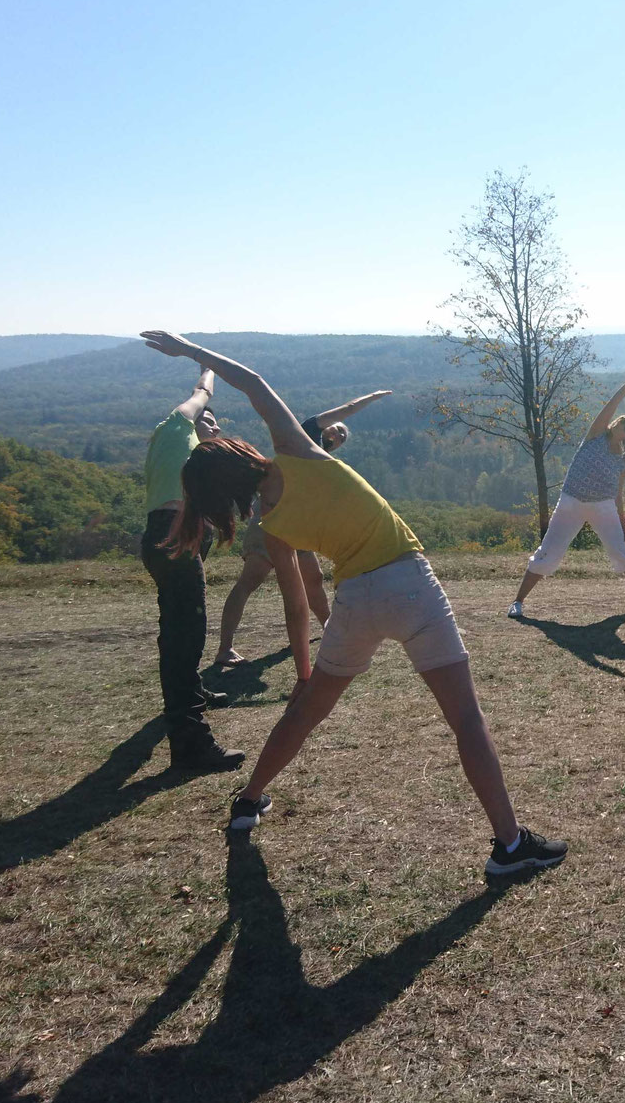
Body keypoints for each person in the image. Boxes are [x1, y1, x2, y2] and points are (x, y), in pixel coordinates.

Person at [142, 330, 568, 876]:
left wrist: (303, 673)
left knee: (309, 712)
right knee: (465, 718)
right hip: (409, 584)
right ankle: (510, 845)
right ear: (245, 452)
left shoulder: (270, 527)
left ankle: (248, 801)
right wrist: (189, 350)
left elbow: (299, 603)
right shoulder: (296, 451)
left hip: (356, 601)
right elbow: (251, 381)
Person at [212, 388, 392, 668]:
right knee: (250, 581)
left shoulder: (321, 457)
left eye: (342, 437)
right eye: (336, 430)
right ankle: (225, 648)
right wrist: (370, 399)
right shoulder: (307, 433)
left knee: (313, 578)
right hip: (273, 517)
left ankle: (333, 631)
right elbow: (346, 407)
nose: (337, 436)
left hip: (297, 526)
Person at [140, 365, 245, 771]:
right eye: (210, 422)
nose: (215, 428)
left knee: (178, 633)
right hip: (172, 541)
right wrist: (208, 365)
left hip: (168, 540)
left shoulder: (192, 462)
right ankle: (190, 745)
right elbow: (203, 392)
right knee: (186, 641)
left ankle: (193, 696)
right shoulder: (176, 427)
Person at [508, 365, 625, 618]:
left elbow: (618, 496)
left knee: (621, 554)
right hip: (570, 503)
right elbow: (612, 404)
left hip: (603, 507)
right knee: (547, 554)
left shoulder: (622, 460)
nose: (620, 424)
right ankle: (517, 603)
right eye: (623, 421)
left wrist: (624, 529)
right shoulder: (595, 436)